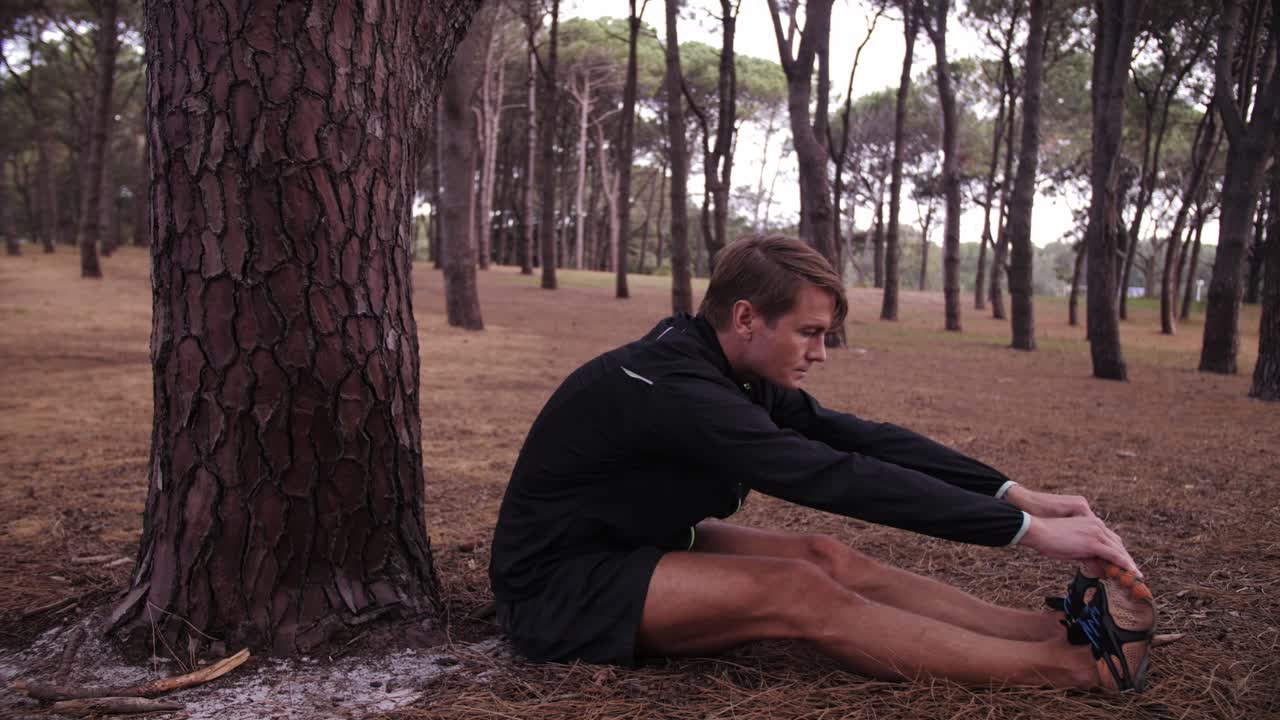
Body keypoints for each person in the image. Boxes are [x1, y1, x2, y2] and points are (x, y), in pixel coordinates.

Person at [489, 235, 1156, 692]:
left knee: (824, 557)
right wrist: (1030, 537)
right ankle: (1067, 670)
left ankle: (1052, 632)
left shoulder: (718, 364)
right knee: (799, 592)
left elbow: (859, 440)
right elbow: (828, 475)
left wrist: (1017, 496)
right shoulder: (680, 389)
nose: (821, 353)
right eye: (809, 332)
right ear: (747, 317)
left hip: (636, 541)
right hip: (560, 587)